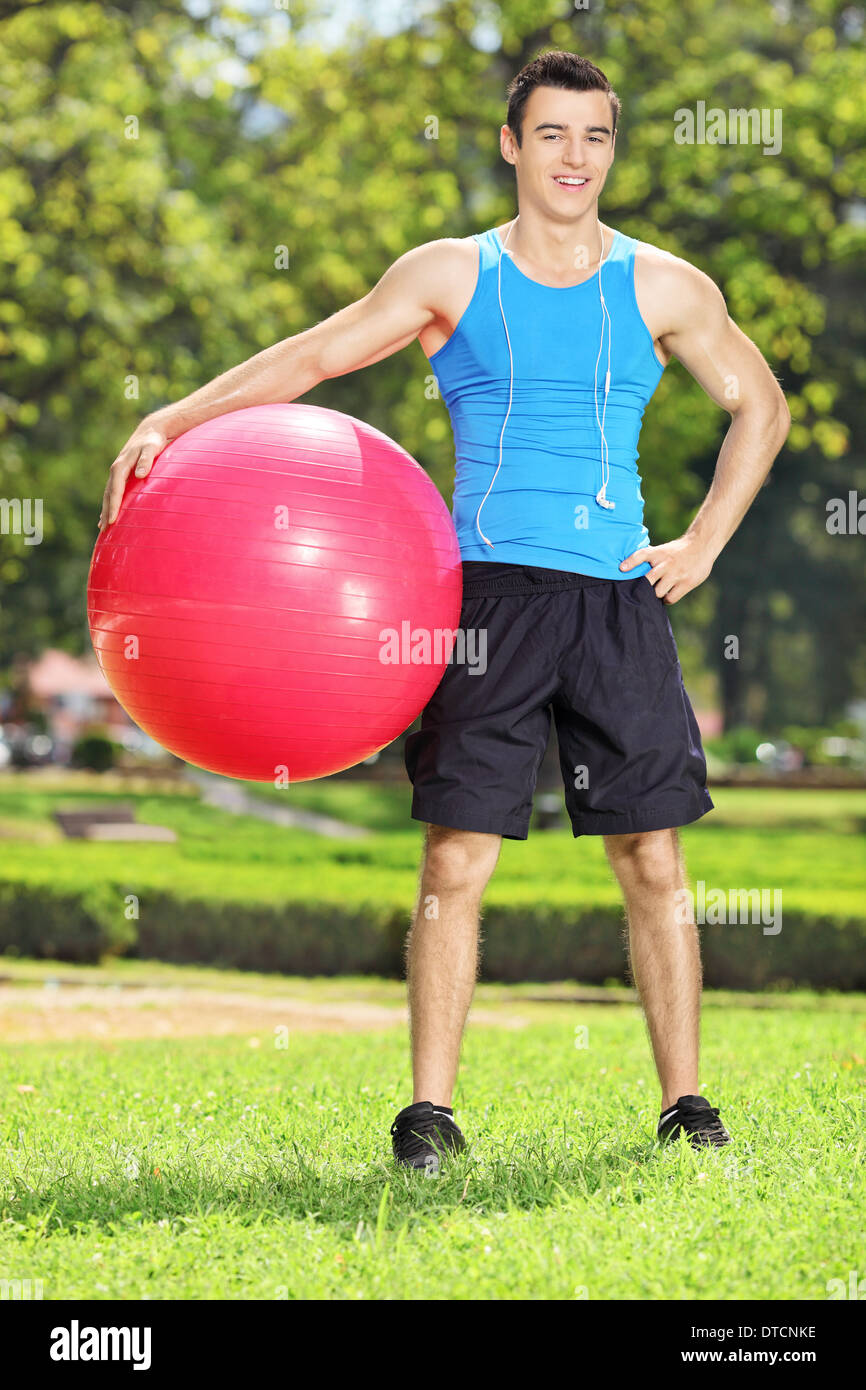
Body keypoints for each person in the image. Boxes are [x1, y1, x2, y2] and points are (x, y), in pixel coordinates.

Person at [100, 50, 791, 1170]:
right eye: (553, 134)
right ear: (511, 144)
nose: (574, 157)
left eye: (595, 137)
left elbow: (758, 407)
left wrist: (703, 543)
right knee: (454, 858)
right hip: (482, 603)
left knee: (651, 860)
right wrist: (174, 418)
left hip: (617, 599)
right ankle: (428, 1113)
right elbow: (317, 355)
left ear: (611, 150)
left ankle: (685, 1103)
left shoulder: (664, 285)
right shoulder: (449, 275)